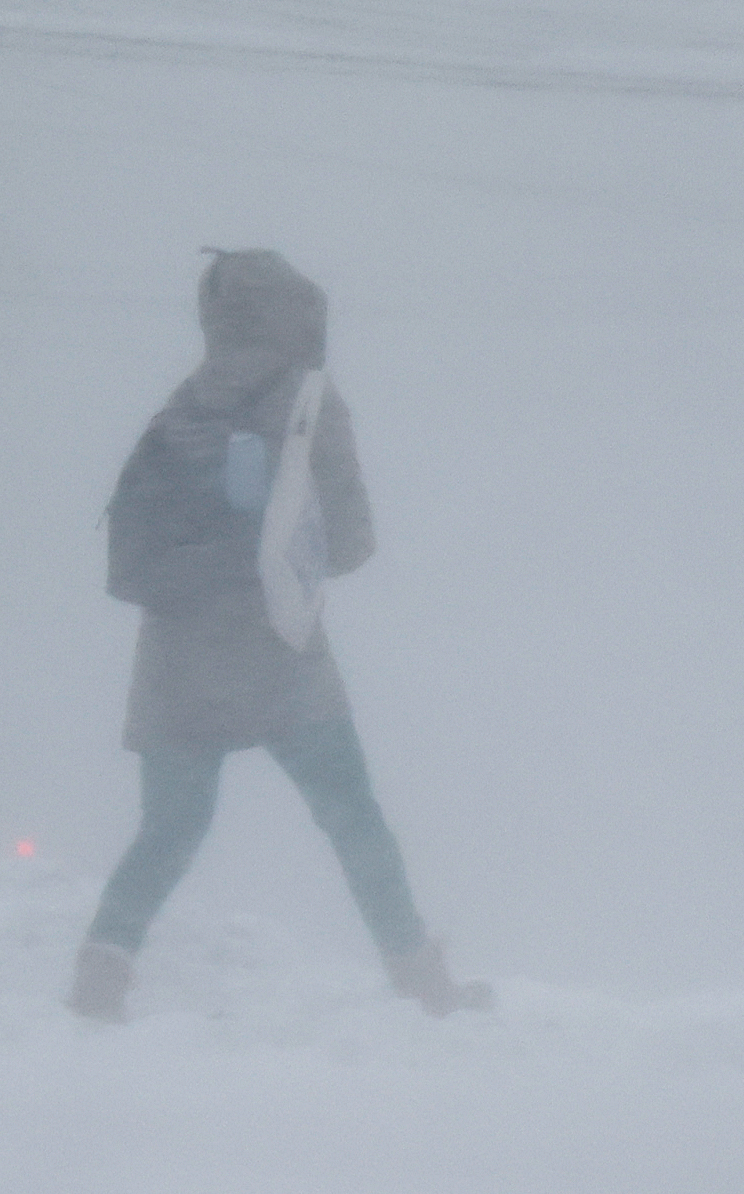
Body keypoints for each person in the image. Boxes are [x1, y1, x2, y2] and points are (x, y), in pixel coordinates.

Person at [70, 249, 486, 1022]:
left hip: (176, 656)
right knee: (351, 816)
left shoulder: (180, 406)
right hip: (277, 650)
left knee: (170, 826)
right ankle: (419, 978)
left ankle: (103, 964)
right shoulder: (309, 401)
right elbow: (353, 540)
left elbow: (137, 543)